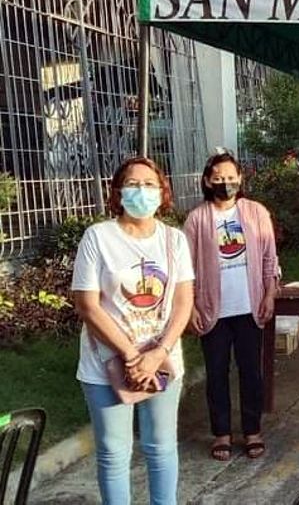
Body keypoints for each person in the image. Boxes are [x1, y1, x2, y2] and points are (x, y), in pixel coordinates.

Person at [72, 157, 195, 505]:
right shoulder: (98, 237)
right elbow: (88, 305)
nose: (142, 191)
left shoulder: (174, 240)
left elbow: (184, 302)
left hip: (162, 361)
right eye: (133, 183)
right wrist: (130, 354)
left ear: (162, 191)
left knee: (161, 448)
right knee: (113, 453)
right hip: (106, 363)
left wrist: (157, 354)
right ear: (118, 191)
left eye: (150, 184)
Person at [184, 150, 278, 461]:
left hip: (249, 306)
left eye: (230, 177)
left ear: (241, 178)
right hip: (213, 311)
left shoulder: (256, 212)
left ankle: (252, 431)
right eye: (218, 178)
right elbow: (186, 267)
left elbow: (269, 258)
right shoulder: (197, 219)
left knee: (251, 372)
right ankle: (221, 433)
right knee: (216, 373)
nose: (225, 183)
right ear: (208, 182)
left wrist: (269, 293)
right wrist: (192, 307)